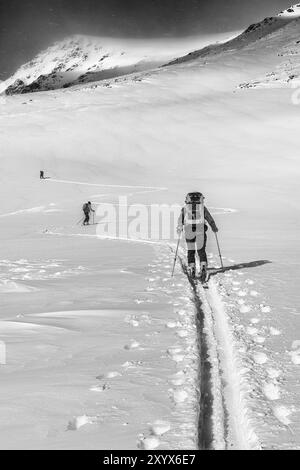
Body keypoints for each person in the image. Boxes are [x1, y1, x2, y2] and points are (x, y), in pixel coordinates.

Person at [177, 192, 218, 280]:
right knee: (201, 250)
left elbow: (180, 220)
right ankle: (203, 266)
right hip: (201, 230)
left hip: (189, 231)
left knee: (191, 250)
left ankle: (192, 267)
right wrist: (214, 228)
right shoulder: (202, 208)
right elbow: (209, 218)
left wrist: (179, 229)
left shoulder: (185, 208)